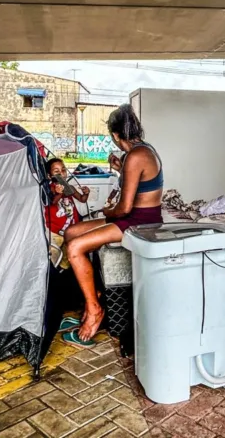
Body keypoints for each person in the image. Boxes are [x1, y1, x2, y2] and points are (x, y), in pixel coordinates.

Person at [62, 104, 163, 345]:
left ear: (116, 135)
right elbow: (136, 186)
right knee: (71, 232)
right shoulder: (141, 152)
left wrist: (106, 211)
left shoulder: (136, 155)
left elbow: (125, 208)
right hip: (132, 217)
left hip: (139, 222)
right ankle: (95, 292)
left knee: (75, 248)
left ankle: (94, 309)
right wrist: (120, 170)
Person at [45, 158, 90, 269]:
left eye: (63, 170)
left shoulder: (70, 188)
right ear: (49, 176)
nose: (61, 173)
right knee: (53, 255)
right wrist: (58, 193)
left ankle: (64, 271)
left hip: (70, 230)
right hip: (55, 231)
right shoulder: (49, 190)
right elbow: (53, 202)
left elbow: (82, 199)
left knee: (67, 255)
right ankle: (53, 273)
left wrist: (86, 194)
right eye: (56, 171)